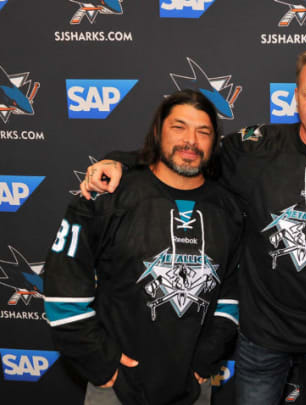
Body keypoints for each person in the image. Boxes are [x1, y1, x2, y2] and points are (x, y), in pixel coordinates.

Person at [78, 46, 306, 405]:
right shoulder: (254, 150)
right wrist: (117, 161)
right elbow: (186, 152)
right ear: (295, 98)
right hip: (260, 336)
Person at [43, 90, 243, 405]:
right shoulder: (108, 195)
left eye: (203, 131)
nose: (190, 140)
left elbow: (233, 291)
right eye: (179, 127)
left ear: (214, 141)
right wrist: (100, 362)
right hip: (116, 389)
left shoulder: (229, 209)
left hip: (193, 388)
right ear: (157, 132)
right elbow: (62, 288)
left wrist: (206, 357)